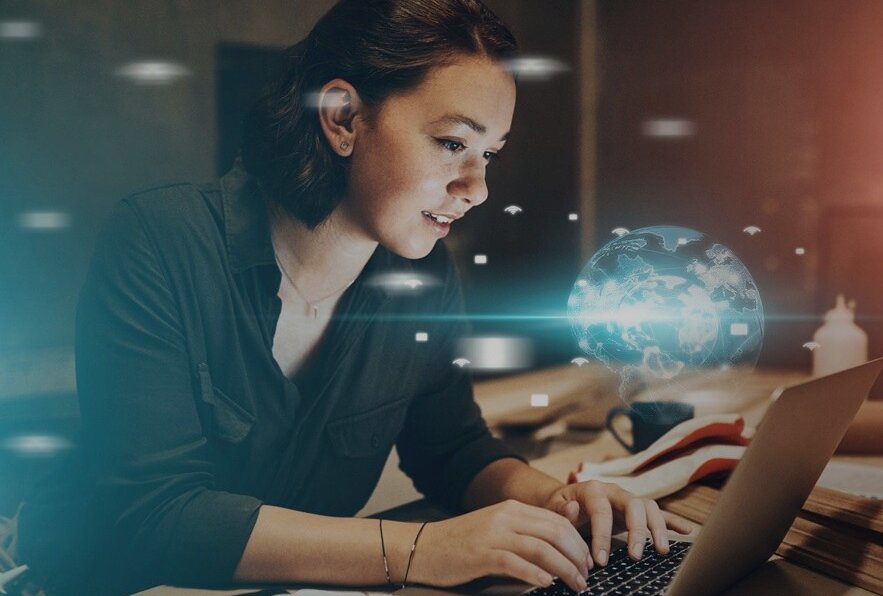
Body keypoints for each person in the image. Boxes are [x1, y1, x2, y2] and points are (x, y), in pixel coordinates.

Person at [17, 1, 690, 594]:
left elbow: (451, 449)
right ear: (341, 117)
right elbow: (155, 515)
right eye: (452, 143)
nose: (476, 187)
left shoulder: (422, 276)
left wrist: (560, 502)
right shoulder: (160, 240)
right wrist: (419, 550)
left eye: (489, 154)